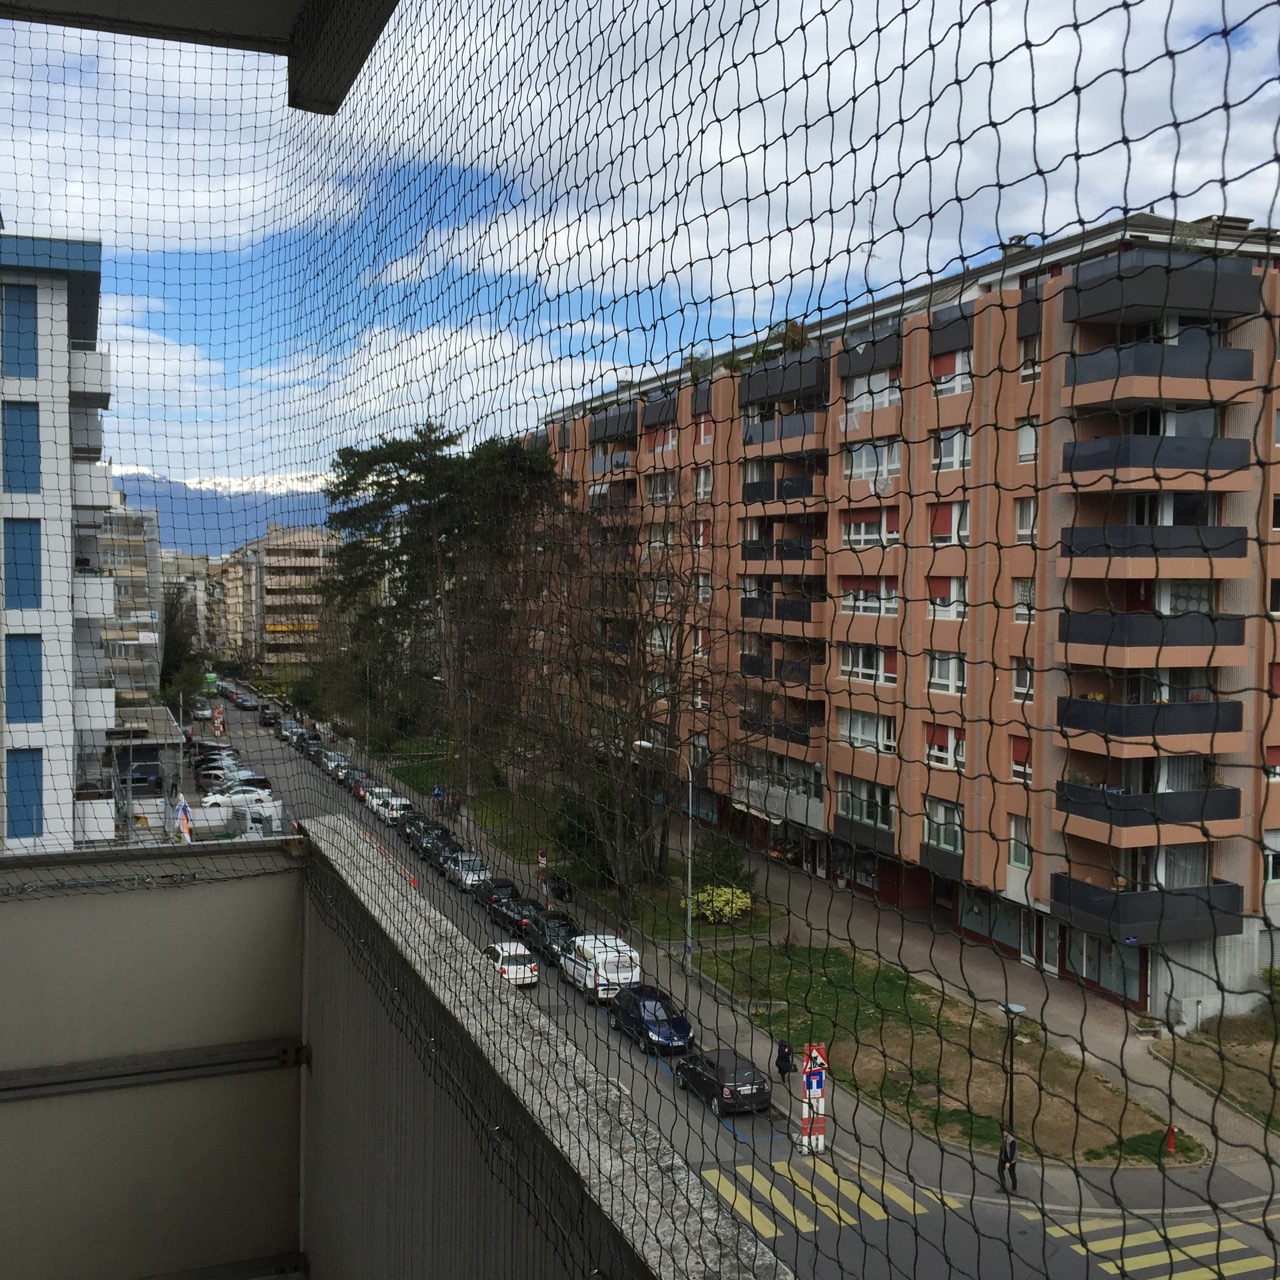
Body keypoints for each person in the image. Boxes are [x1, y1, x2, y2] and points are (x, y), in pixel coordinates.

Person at [998, 1125, 1018, 1193]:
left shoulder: (1012, 1140)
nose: (1003, 1132)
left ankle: (1014, 1189)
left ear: (1007, 1132)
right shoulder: (1004, 1138)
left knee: (1012, 1173)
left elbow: (1012, 1152)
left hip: (1011, 1160)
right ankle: (1003, 1186)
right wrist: (1000, 1156)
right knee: (1000, 1171)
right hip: (1003, 1158)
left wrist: (1009, 1162)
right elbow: (1002, 1147)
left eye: (1004, 1131)